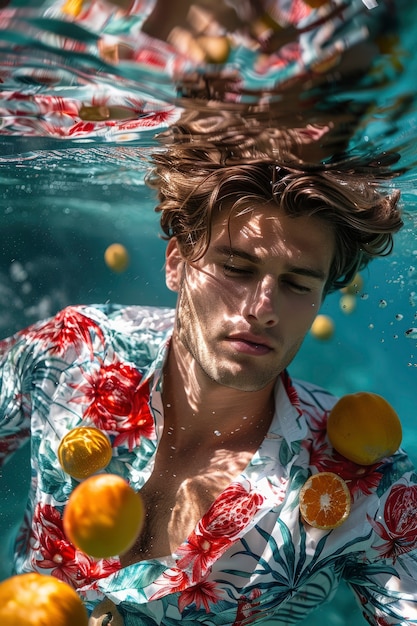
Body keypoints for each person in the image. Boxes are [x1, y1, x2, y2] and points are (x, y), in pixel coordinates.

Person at [1, 114, 417, 626]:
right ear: (176, 263)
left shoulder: (366, 483)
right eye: (235, 269)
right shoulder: (72, 349)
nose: (262, 307)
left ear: (321, 299)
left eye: (296, 284)